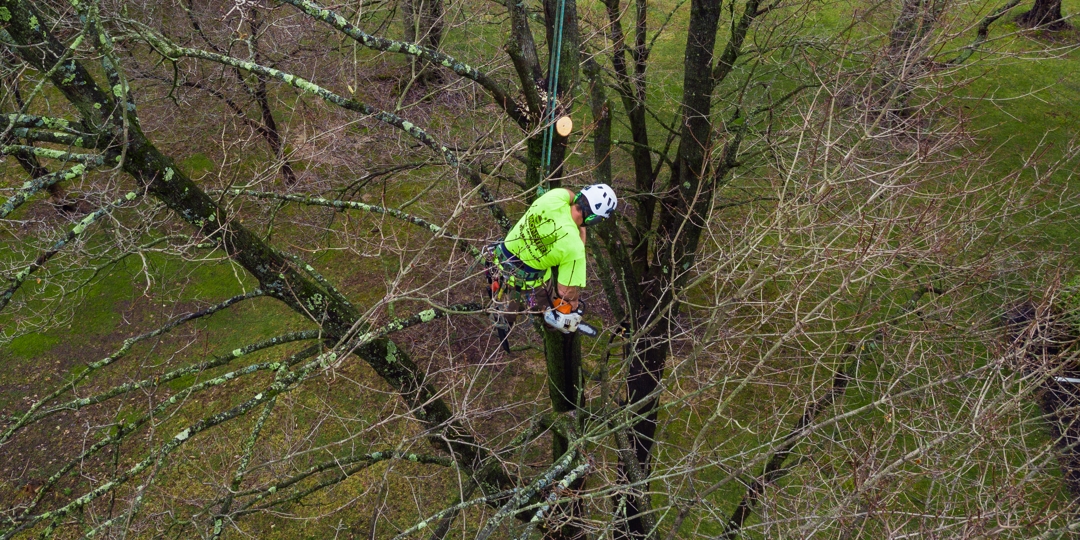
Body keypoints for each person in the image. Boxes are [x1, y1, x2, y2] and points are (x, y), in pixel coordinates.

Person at [487, 184, 617, 334]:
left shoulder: (555, 196)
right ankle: (547, 317)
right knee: (555, 301)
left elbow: (569, 194)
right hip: (527, 281)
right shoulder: (574, 246)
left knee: (505, 304)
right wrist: (573, 303)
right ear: (594, 219)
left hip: (499, 259)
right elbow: (565, 290)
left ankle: (501, 314)